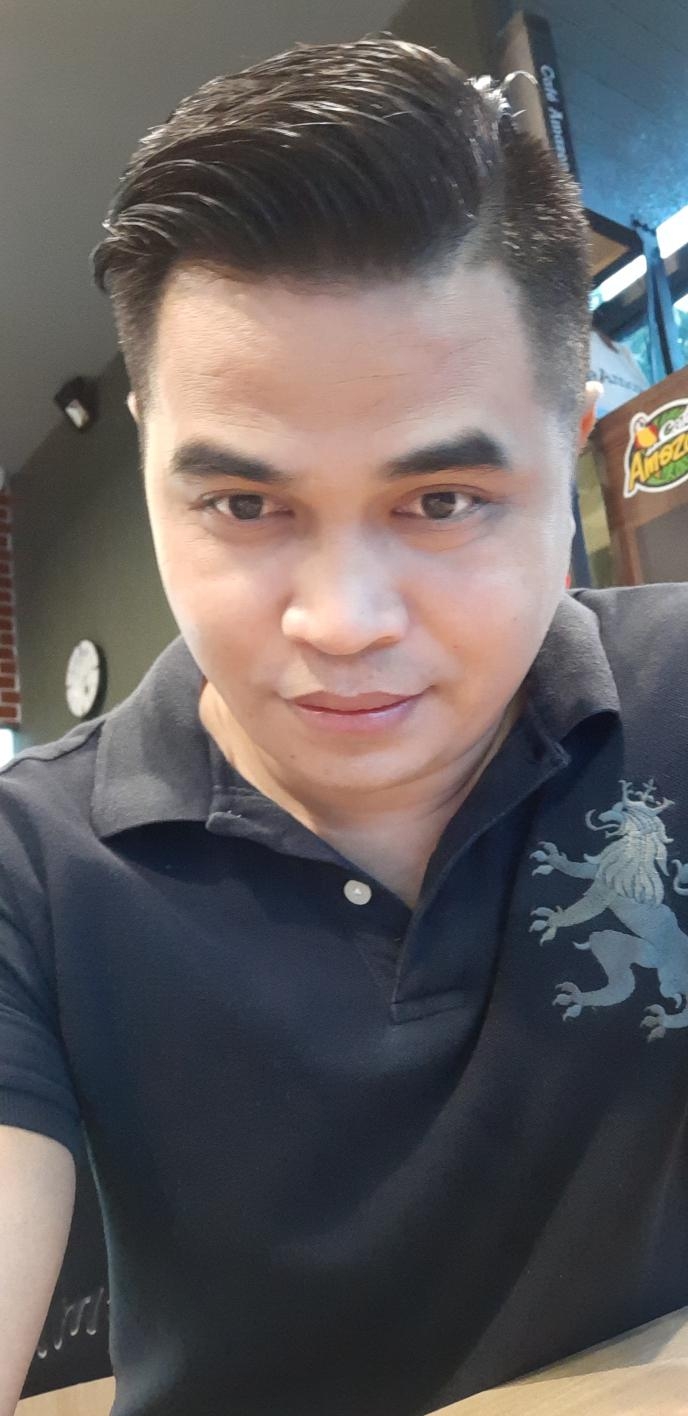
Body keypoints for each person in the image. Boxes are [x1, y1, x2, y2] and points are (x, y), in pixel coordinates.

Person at [2, 33, 687, 1416]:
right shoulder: (32, 869)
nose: (341, 622)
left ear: (572, 437)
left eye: (442, 502)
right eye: (244, 505)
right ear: (148, 456)